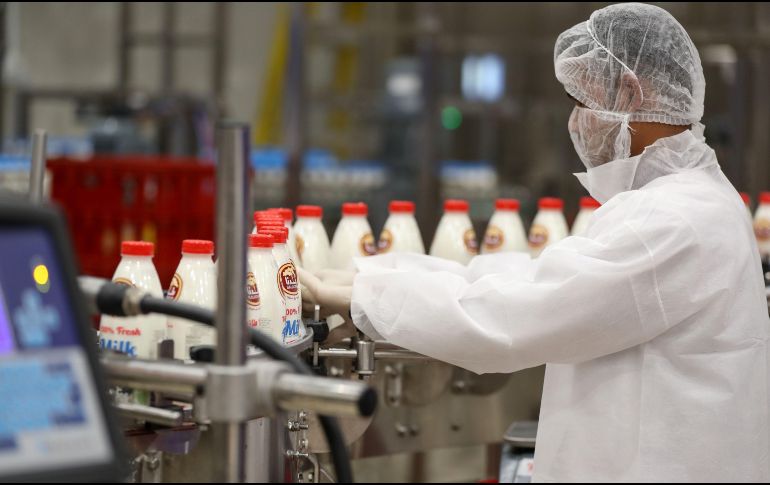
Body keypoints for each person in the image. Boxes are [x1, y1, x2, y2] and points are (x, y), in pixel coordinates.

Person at [300, 3, 770, 482]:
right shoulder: (693, 201)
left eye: (584, 102)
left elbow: (517, 317)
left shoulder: (672, 218)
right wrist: (372, 277)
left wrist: (366, 297)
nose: (578, 121)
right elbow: (534, 280)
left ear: (629, 92)